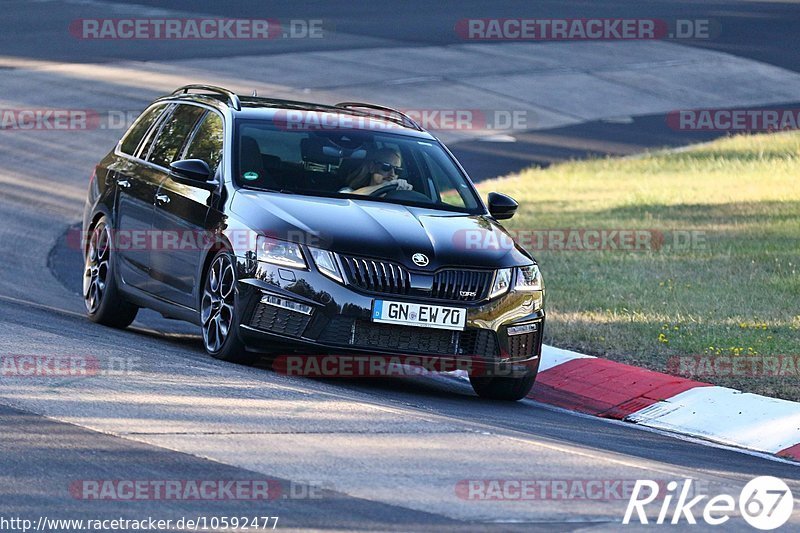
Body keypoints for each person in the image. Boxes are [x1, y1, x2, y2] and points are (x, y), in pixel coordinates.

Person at [340, 148, 413, 195]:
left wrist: (405, 192)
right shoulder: (348, 190)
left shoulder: (400, 198)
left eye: (397, 170)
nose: (392, 174)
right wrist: (385, 186)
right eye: (386, 167)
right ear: (372, 167)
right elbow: (346, 199)